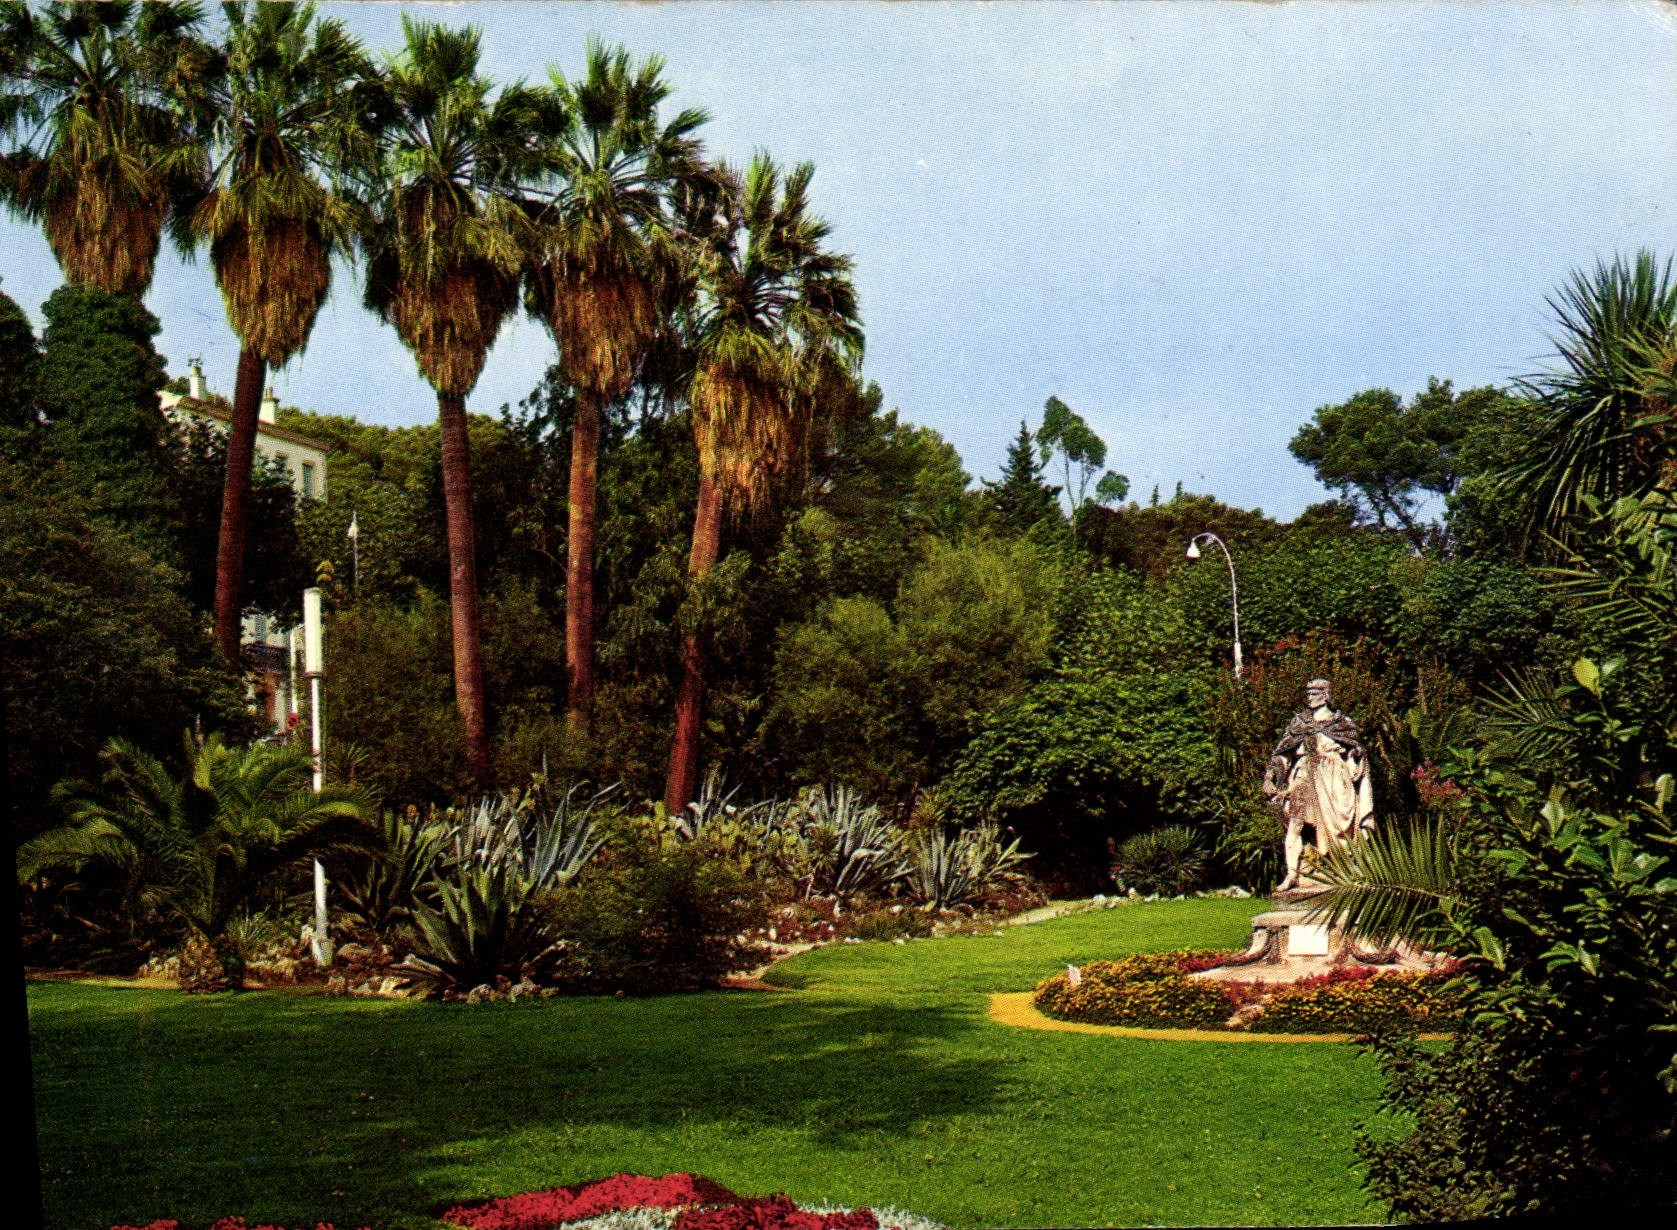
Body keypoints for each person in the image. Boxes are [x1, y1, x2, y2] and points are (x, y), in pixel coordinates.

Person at [1261, 678, 1374, 893]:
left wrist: (1355, 755)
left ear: (1326, 694)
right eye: (1308, 693)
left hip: (1334, 777)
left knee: (1340, 827)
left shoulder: (1342, 723)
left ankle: (1345, 872)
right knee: (1296, 823)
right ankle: (1292, 873)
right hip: (1305, 775)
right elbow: (1283, 754)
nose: (1309, 697)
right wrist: (1270, 777)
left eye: (1314, 693)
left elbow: (1355, 751)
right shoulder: (1300, 723)